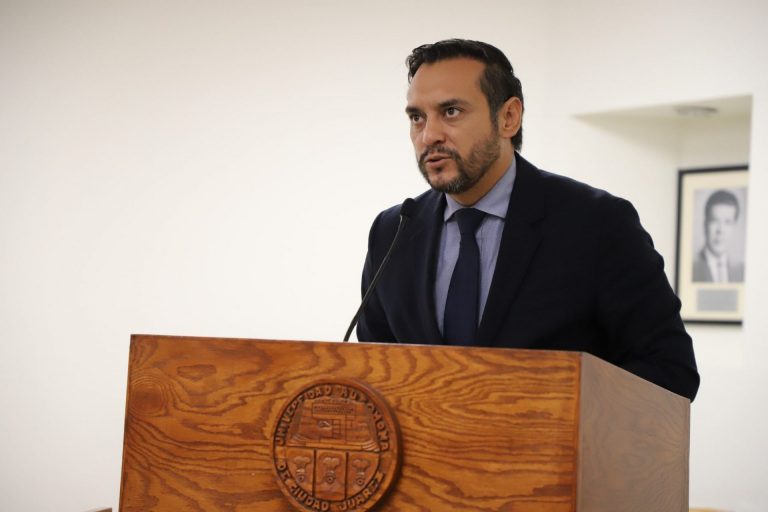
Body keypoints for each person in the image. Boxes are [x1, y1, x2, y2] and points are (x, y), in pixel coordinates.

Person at [356, 39, 699, 401]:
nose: (429, 135)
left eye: (451, 111)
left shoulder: (597, 224)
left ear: (508, 117)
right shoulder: (393, 231)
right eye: (417, 118)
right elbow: (373, 372)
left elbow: (669, 370)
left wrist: (546, 408)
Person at [692, 189, 745, 283]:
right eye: (714, 220)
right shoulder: (691, 267)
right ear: (705, 224)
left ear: (735, 227)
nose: (720, 230)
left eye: (727, 222)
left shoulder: (741, 271)